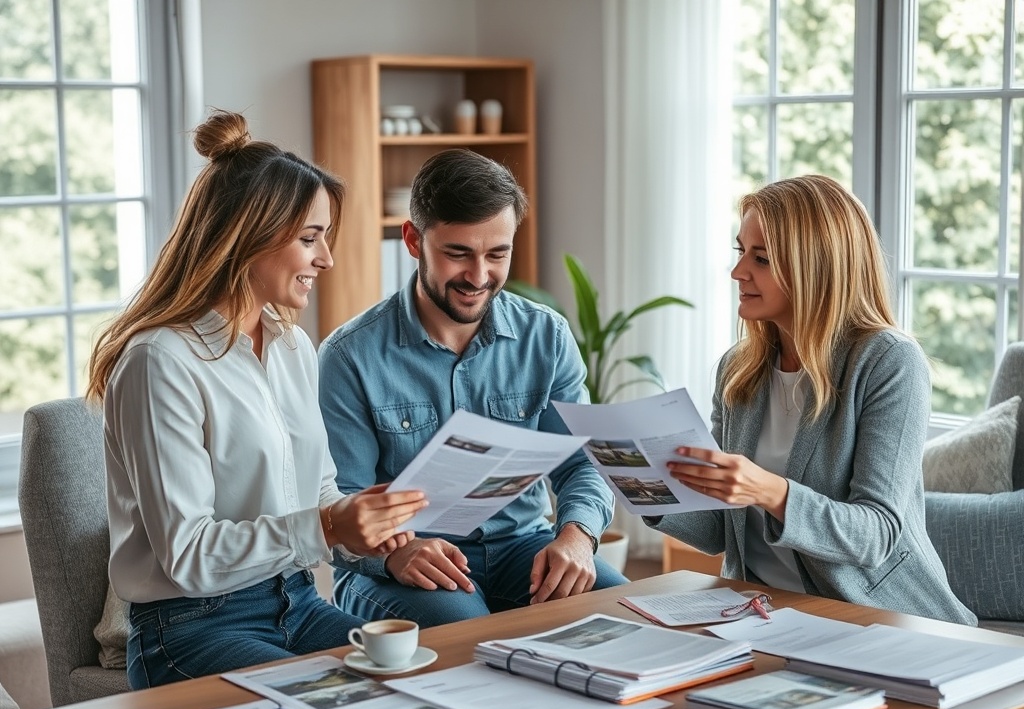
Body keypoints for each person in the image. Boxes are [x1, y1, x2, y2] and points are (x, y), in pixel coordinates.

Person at [86, 110, 428, 688]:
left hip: (296, 602)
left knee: (417, 687)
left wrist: (367, 519)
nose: (327, 259)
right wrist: (327, 525)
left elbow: (315, 487)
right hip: (191, 627)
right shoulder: (159, 363)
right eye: (310, 238)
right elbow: (188, 554)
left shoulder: (293, 346)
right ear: (248, 236)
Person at [318, 148, 628, 628]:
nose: (479, 276)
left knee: (625, 617)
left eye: (497, 254)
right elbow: (341, 502)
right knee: (469, 636)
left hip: (521, 546)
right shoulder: (348, 356)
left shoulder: (545, 336)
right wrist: (395, 555)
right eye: (458, 253)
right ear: (413, 240)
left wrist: (577, 537)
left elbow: (580, 462)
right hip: (401, 561)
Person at [650, 174, 975, 625]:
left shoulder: (888, 363)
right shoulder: (737, 370)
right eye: (740, 251)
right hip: (763, 615)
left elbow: (875, 534)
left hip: (876, 620)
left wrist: (770, 490)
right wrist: (644, 487)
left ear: (815, 267)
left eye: (760, 258)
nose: (738, 272)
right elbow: (720, 531)